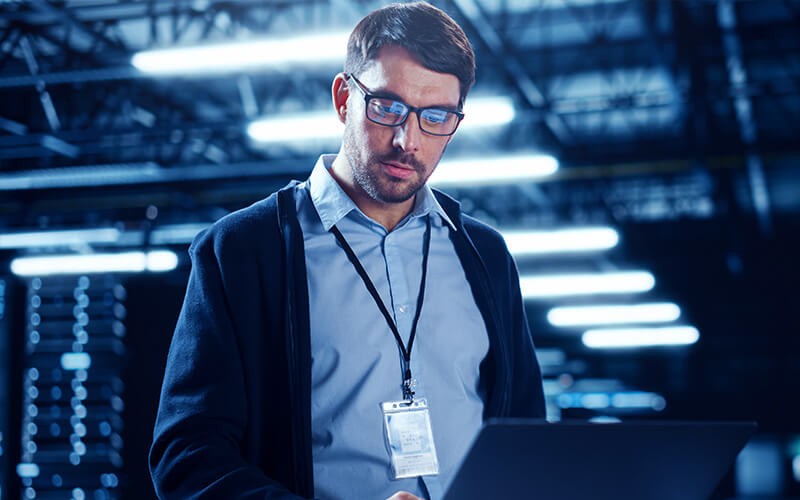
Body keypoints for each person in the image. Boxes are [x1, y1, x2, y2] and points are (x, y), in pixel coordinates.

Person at [149, 2, 545, 499]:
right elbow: (186, 456)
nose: (407, 140)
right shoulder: (243, 253)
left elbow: (527, 437)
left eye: (436, 117)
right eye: (387, 107)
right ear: (343, 99)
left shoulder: (485, 255)